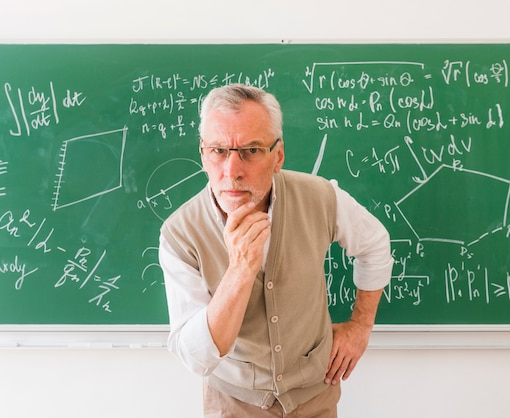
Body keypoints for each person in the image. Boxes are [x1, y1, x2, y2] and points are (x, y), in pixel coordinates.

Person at [159, 83, 393, 417]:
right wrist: (240, 270)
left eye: (251, 150)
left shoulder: (321, 197)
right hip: (234, 404)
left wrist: (360, 327)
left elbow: (375, 244)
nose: (232, 170)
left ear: (277, 156)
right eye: (218, 150)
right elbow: (197, 357)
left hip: (315, 397)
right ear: (203, 153)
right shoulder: (179, 233)